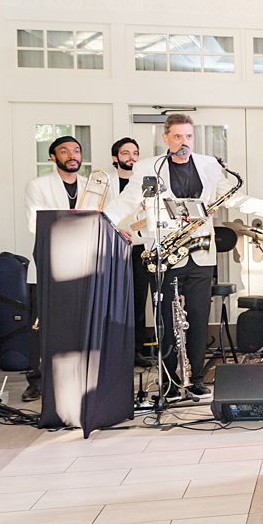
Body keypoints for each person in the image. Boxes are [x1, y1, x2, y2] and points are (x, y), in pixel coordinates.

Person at [107, 114, 263, 401]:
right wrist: (104, 219)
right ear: (165, 139)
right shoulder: (147, 167)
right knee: (165, 319)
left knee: (199, 319)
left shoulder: (209, 165)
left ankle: (197, 378)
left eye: (188, 136)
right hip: (165, 253)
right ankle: (168, 380)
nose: (184, 142)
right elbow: (127, 201)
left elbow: (231, 197)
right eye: (177, 137)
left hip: (201, 253)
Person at [21, 135, 88, 402]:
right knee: (42, 325)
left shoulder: (91, 186)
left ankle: (77, 376)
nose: (72, 155)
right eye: (64, 151)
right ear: (53, 157)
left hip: (84, 263)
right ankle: (37, 380)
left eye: (76, 150)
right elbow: (34, 224)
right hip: (50, 263)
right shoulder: (38, 185)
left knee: (78, 322)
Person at [108, 137, 153, 364]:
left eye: (135, 153)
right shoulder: (106, 182)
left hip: (139, 246)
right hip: (111, 248)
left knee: (138, 299)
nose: (131, 157)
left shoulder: (145, 181)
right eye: (125, 153)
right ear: (115, 158)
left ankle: (137, 350)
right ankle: (114, 349)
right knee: (113, 299)